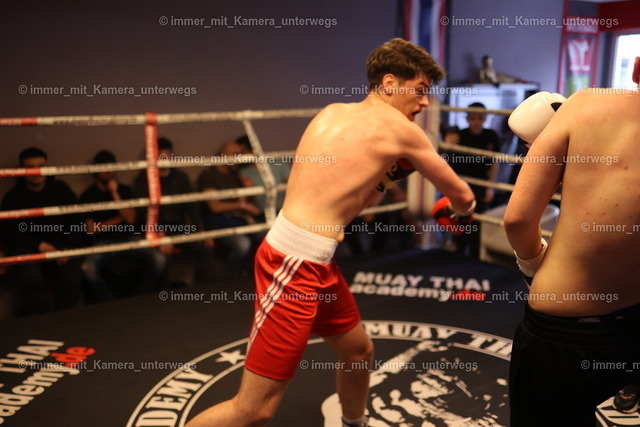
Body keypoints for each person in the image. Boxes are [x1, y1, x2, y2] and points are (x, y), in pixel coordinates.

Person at [186, 38, 475, 427]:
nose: (425, 102)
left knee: (358, 351)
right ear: (390, 82)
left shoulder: (332, 112)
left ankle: (354, 423)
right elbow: (463, 197)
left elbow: (351, 203)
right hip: (294, 262)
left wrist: (386, 179)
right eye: (420, 90)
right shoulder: (403, 131)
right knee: (254, 410)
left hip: (314, 258)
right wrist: (458, 215)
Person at [504, 57, 640, 426]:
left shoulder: (586, 104)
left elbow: (518, 218)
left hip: (567, 330)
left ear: (637, 68)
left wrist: (531, 265)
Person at [0, 147, 83, 314]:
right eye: (31, 167)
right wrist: (38, 245)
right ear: (22, 170)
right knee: (31, 278)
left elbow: (76, 221)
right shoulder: (13, 197)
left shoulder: (61, 189)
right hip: (28, 248)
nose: (36, 171)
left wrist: (69, 249)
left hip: (60, 245)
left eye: (41, 166)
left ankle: (66, 319)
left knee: (72, 274)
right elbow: (9, 232)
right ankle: (42, 322)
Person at [80, 150, 166, 300]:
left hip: (128, 238)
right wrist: (119, 219)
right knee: (88, 269)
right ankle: (111, 303)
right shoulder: (88, 195)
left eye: (111, 166)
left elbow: (131, 219)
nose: (108, 171)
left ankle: (139, 299)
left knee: (159, 259)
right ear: (95, 169)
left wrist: (115, 194)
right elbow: (92, 229)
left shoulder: (125, 191)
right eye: (103, 167)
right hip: (103, 242)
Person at [134, 137, 212, 284]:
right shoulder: (144, 179)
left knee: (205, 246)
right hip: (155, 229)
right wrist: (158, 234)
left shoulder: (180, 177)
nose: (164, 159)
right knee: (163, 255)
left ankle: (202, 290)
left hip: (179, 226)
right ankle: (163, 293)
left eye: (167, 155)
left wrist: (201, 230)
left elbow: (192, 206)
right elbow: (143, 211)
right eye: (160, 156)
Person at [197, 140, 262, 279]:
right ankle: (229, 280)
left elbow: (243, 202)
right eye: (234, 154)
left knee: (267, 234)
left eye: (239, 154)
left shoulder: (236, 174)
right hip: (216, 222)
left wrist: (247, 190)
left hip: (237, 219)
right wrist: (241, 206)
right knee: (242, 244)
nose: (237, 158)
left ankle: (253, 276)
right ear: (223, 154)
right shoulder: (209, 174)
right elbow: (214, 207)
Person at [443, 102, 499, 257]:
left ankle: (476, 258)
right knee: (460, 222)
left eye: (480, 118)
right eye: (473, 118)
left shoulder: (491, 135)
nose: (476, 122)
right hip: (460, 184)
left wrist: (490, 187)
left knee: (478, 224)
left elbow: (495, 163)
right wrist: (446, 146)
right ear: (467, 119)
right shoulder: (459, 136)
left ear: (485, 119)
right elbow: (444, 161)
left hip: (481, 184)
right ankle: (458, 256)